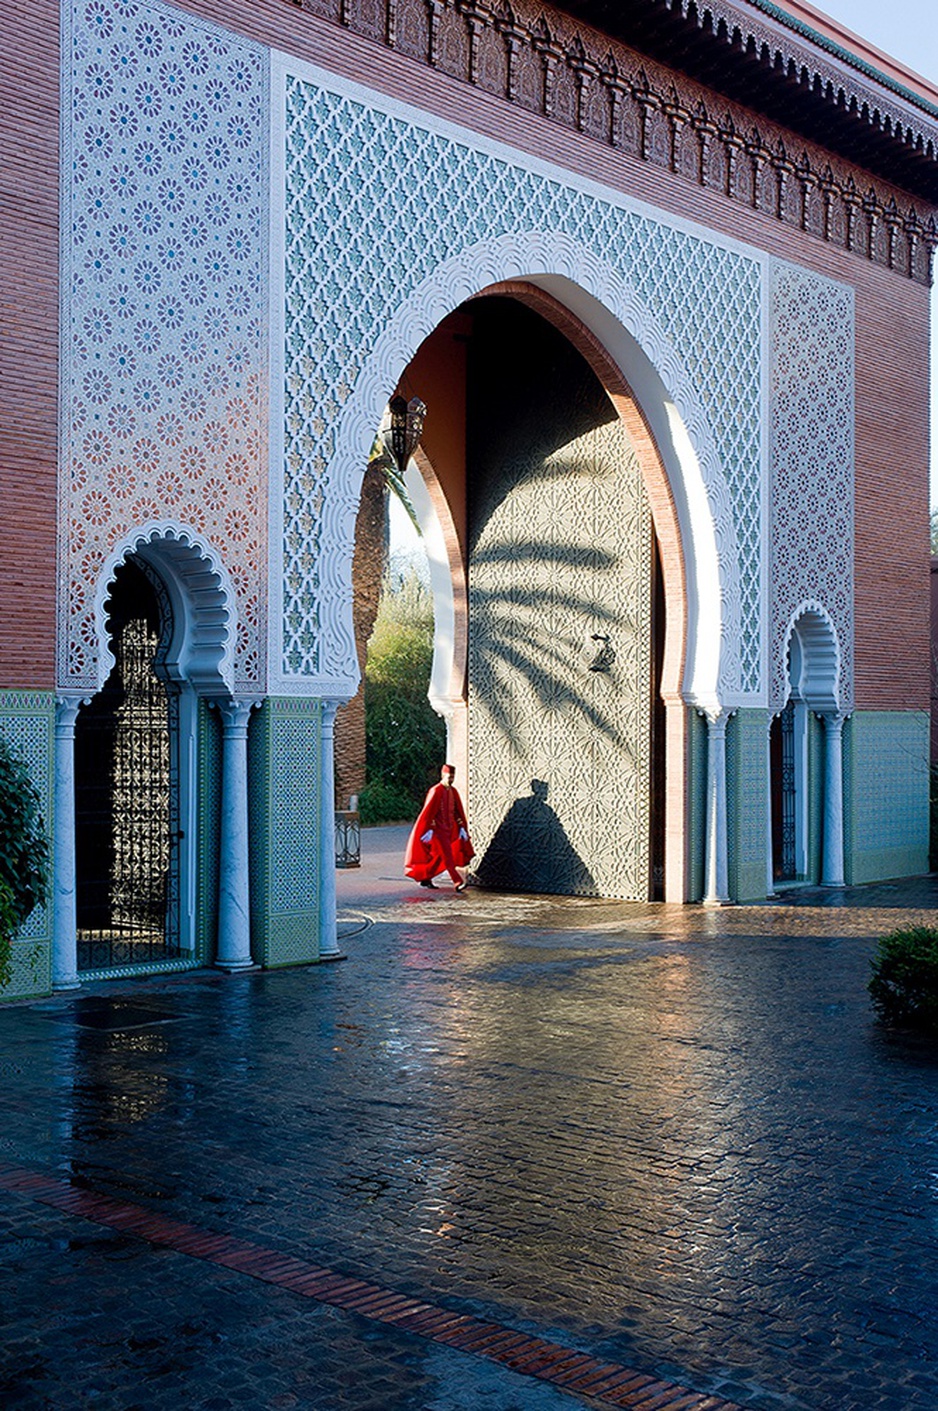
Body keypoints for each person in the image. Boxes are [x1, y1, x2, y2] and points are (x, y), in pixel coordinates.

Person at [404, 764, 474, 891]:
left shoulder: (453, 791)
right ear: (443, 775)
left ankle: (426, 877)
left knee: (438, 857)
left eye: (453, 777)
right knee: (448, 856)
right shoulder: (435, 790)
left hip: (450, 830)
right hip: (438, 831)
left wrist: (462, 827)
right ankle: (457, 882)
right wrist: (429, 829)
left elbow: (458, 811)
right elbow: (428, 812)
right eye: (449, 777)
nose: (451, 780)